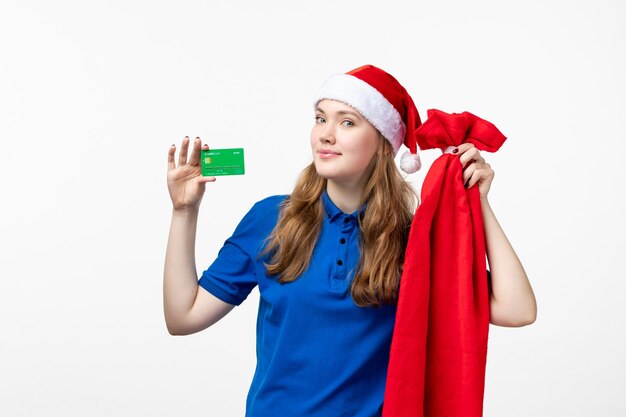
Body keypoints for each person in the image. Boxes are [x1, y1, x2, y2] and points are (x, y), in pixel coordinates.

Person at [163, 64, 537, 417]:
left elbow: (517, 309)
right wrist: (184, 212)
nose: (326, 133)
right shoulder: (270, 220)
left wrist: (479, 200)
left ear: (383, 144)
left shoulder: (413, 242)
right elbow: (184, 316)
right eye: (321, 118)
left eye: (347, 122)